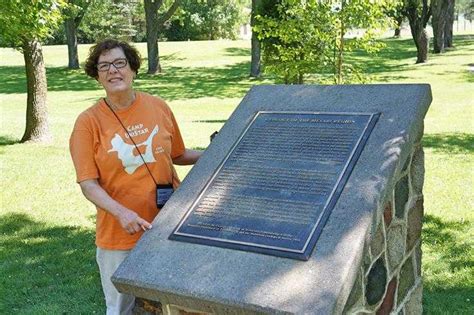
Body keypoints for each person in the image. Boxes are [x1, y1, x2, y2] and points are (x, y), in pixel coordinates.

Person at [69, 39, 201, 315]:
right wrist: (122, 213)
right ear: (97, 76)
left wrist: (219, 151)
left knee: (176, 303)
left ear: (133, 69)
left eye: (120, 63)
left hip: (168, 225)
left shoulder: (158, 106)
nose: (113, 71)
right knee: (120, 308)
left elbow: (178, 154)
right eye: (104, 66)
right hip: (120, 234)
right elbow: (88, 184)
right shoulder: (87, 123)